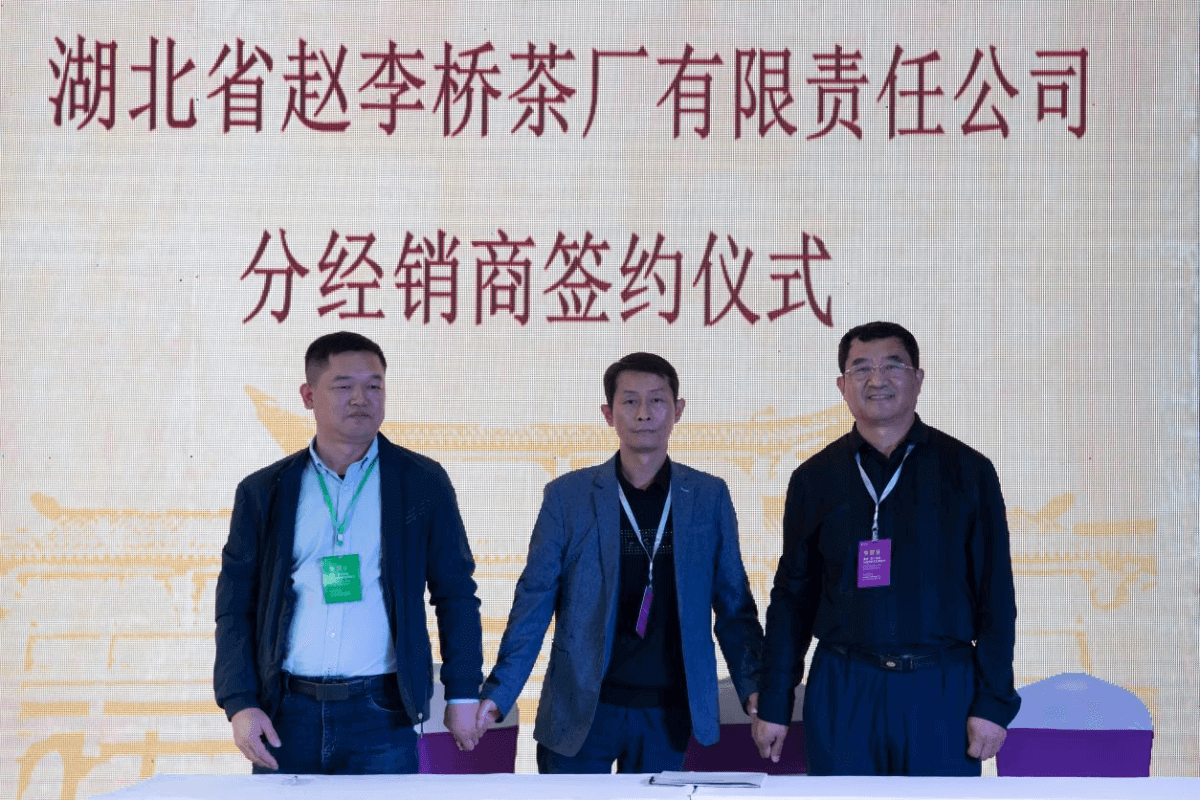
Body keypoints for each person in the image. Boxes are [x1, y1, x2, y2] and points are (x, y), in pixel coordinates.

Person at [753, 321, 1020, 776]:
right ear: (842, 386)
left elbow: (996, 595)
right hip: (844, 685)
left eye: (893, 366)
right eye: (861, 369)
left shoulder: (968, 471)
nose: (877, 380)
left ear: (918, 379)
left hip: (941, 687)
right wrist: (775, 701)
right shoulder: (815, 478)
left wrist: (993, 702)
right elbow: (792, 599)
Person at [475, 352, 763, 773]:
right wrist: (500, 693)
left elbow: (735, 605)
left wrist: (755, 687)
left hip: (668, 713)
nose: (644, 413)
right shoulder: (568, 497)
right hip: (581, 709)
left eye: (657, 400)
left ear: (678, 410)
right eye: (630, 401)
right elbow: (533, 603)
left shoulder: (708, 496)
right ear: (608, 414)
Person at [214, 331, 483, 775]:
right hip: (285, 713)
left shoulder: (422, 482)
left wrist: (463, 693)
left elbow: (455, 594)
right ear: (308, 395)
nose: (361, 398)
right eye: (344, 386)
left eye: (374, 385)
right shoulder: (265, 491)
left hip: (382, 713)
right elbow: (234, 605)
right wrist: (240, 703)